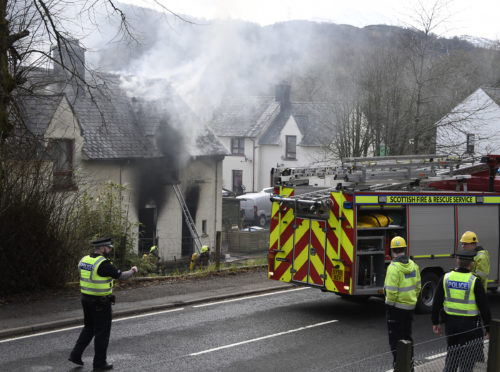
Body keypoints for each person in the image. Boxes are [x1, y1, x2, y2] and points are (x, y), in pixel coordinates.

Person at [69, 237, 138, 371]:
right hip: (100, 303)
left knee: (89, 328)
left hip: (85, 299)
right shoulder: (103, 264)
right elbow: (122, 276)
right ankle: (99, 364)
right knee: (102, 333)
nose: (110, 249)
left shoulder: (84, 260)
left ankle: (75, 355)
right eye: (108, 247)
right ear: (102, 248)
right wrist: (133, 270)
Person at [432, 249, 491, 372]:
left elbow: (436, 303)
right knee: (467, 361)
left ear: (457, 261)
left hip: (451, 325)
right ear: (471, 264)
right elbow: (484, 308)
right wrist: (488, 328)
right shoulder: (474, 281)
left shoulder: (446, 278)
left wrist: (435, 322)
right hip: (470, 327)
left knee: (452, 357)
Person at [384, 236, 421, 369]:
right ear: (405, 249)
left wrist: (389, 306)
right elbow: (418, 287)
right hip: (409, 309)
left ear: (392, 251)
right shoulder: (414, 266)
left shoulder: (393, 268)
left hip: (396, 310)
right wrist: (411, 300)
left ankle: (399, 367)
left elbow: (391, 292)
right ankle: (409, 367)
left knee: (395, 342)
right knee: (407, 338)